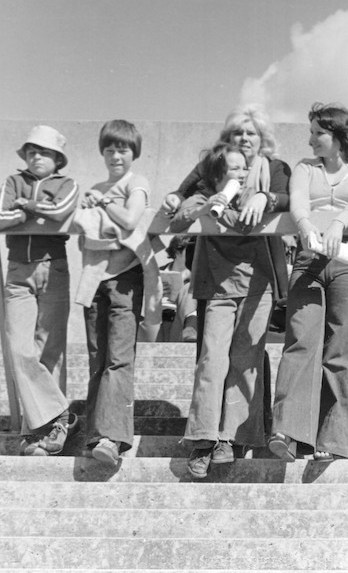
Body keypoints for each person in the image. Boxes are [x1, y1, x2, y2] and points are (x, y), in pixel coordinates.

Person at [159, 104, 291, 438]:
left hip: (258, 269)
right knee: (217, 357)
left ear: (263, 139)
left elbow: (286, 198)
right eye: (238, 133)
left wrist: (265, 197)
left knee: (248, 357)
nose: (245, 139)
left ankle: (248, 431)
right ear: (227, 139)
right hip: (217, 274)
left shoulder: (274, 167)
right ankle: (213, 433)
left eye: (252, 133)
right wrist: (176, 200)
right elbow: (184, 192)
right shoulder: (216, 169)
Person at [269, 103, 348, 462]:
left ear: (339, 136)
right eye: (311, 131)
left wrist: (338, 224)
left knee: (340, 351)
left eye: (319, 132)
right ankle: (286, 431)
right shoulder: (304, 168)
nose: (311, 139)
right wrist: (305, 226)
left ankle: (330, 442)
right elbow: (298, 202)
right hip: (308, 259)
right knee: (300, 341)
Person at [168, 142, 282, 479]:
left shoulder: (254, 197)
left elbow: (246, 224)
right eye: (234, 168)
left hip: (256, 287)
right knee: (212, 359)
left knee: (244, 361)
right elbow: (176, 223)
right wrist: (204, 207)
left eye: (244, 168)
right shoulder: (204, 198)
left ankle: (230, 439)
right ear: (218, 175)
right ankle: (203, 438)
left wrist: (227, 210)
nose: (242, 173)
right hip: (217, 289)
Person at [74, 119, 160, 466]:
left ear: (133, 151)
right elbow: (85, 233)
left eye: (122, 148)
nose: (115, 155)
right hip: (94, 280)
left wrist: (105, 207)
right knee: (98, 359)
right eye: (109, 148)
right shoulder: (95, 186)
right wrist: (104, 213)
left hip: (126, 278)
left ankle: (114, 439)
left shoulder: (136, 182)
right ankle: (93, 435)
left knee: (118, 359)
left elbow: (130, 219)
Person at [0, 125, 79, 456]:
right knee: (20, 350)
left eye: (43, 152)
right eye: (31, 151)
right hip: (18, 271)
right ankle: (61, 414)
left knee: (50, 351)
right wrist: (26, 212)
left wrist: (25, 210)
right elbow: (1, 217)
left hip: (53, 267)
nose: (36, 157)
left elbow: (62, 212)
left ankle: (46, 432)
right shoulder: (13, 181)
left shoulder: (67, 184)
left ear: (57, 158)